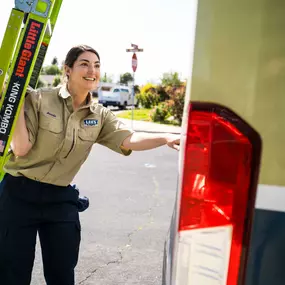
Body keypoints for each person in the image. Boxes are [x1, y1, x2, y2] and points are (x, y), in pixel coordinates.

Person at [0, 45, 180, 285]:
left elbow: (128, 139)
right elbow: (21, 149)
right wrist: (16, 102)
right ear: (67, 69)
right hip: (18, 195)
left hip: (59, 198)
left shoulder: (100, 115)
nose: (92, 70)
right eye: (84, 63)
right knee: (13, 273)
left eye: (96, 65)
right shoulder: (39, 99)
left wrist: (165, 138)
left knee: (63, 274)